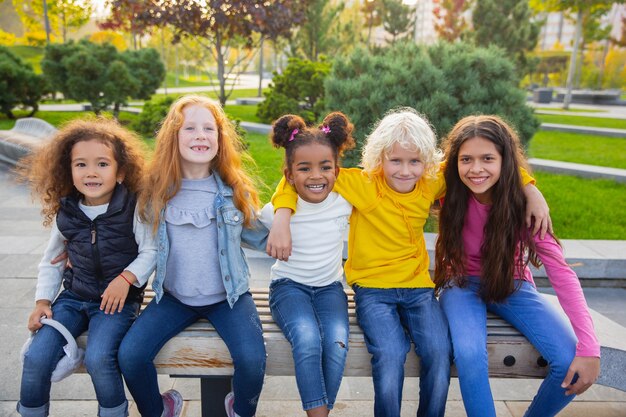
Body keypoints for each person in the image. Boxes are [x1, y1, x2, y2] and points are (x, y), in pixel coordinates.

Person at [268, 108, 551, 417]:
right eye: (395, 161)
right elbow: (294, 177)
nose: (405, 171)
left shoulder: (431, 182)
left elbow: (498, 166)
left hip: (417, 288)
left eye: (415, 161)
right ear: (379, 160)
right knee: (390, 353)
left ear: (427, 163)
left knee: (439, 351)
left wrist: (530, 187)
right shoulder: (362, 183)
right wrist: (282, 217)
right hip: (373, 289)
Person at [434, 115, 600, 417]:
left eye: (488, 158)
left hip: (512, 285)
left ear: (505, 161)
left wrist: (589, 348)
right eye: (466, 159)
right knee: (470, 355)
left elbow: (561, 272)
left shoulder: (525, 207)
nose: (476, 169)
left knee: (567, 360)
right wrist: (530, 183)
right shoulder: (447, 188)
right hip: (459, 284)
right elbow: (413, 169)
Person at [118, 95, 269, 417]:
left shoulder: (232, 192)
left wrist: (287, 215)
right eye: (190, 128)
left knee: (253, 360)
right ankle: (161, 408)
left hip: (228, 298)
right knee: (130, 356)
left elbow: (263, 237)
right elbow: (133, 240)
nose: (200, 135)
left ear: (219, 139)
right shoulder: (155, 193)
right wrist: (79, 250)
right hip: (173, 298)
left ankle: (238, 409)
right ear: (173, 137)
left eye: (209, 128)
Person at [16, 117, 157, 417]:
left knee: (99, 358)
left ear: (120, 172)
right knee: (36, 357)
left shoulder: (133, 208)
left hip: (115, 302)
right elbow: (51, 262)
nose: (91, 172)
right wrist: (42, 301)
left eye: (102, 164)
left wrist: (126, 279)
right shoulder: (67, 212)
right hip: (73, 297)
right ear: (69, 171)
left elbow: (151, 251)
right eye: (81, 164)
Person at [259, 112, 355, 417]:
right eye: (304, 168)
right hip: (288, 288)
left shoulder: (345, 201)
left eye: (325, 167)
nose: (316, 176)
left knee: (337, 343)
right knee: (308, 338)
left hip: (330, 288)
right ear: (289, 175)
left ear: (337, 170)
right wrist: (281, 217)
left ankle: (318, 412)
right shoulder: (276, 210)